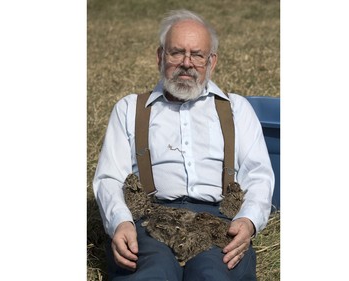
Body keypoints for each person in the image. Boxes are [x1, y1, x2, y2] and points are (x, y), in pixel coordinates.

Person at [93, 9, 274, 281]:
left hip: (218, 223)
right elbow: (109, 177)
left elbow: (259, 176)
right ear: (160, 57)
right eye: (176, 52)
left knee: (212, 274)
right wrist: (120, 222)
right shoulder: (129, 109)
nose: (186, 63)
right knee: (153, 274)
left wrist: (248, 221)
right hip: (148, 219)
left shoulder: (237, 109)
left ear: (211, 61)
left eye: (197, 55)